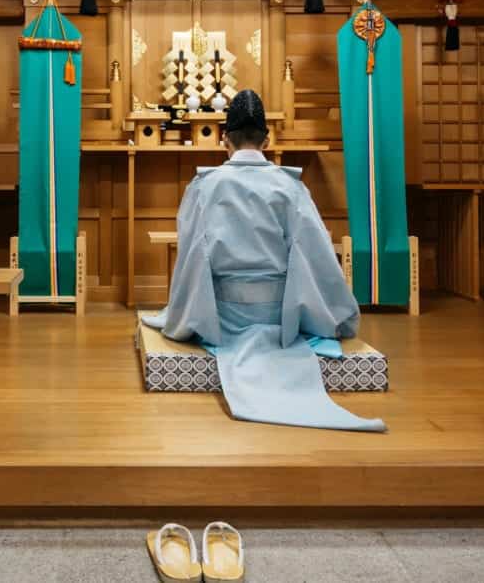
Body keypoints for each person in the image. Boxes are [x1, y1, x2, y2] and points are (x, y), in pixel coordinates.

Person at [142, 90, 385, 432]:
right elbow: (315, 254)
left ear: (224, 140)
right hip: (280, 316)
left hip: (222, 317)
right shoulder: (290, 186)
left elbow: (191, 258)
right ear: (267, 140)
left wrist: (182, 315)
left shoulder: (204, 186)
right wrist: (337, 313)